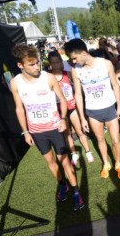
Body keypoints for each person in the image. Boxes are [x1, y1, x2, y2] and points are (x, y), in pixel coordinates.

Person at [10, 43, 84, 210]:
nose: (37, 66)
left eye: (38, 62)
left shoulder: (48, 78)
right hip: (36, 131)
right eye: (32, 64)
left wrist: (64, 119)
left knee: (64, 161)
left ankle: (76, 192)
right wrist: (25, 132)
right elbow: (19, 108)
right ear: (20, 65)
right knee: (50, 161)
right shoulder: (15, 83)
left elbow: (63, 100)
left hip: (55, 128)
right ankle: (62, 184)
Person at [65, 39, 120, 179]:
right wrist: (82, 118)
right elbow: (78, 95)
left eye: (74, 58)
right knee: (100, 139)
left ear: (83, 53)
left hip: (110, 108)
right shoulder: (76, 70)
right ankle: (106, 164)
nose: (73, 62)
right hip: (92, 112)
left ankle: (118, 164)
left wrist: (119, 107)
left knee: (115, 140)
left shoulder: (105, 63)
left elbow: (115, 86)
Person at [48, 51, 94, 165]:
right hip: (59, 111)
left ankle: (88, 151)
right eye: (53, 63)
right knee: (67, 134)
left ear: (61, 62)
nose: (56, 65)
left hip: (71, 107)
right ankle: (74, 154)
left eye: (58, 62)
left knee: (80, 131)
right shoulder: (48, 78)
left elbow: (77, 87)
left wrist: (74, 95)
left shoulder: (67, 74)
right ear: (50, 64)